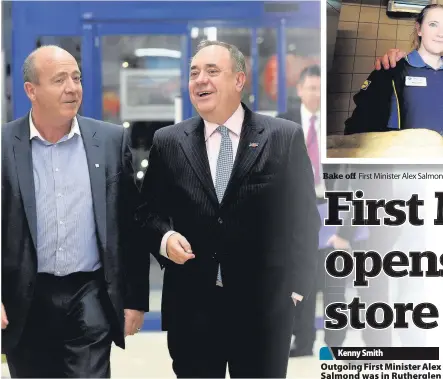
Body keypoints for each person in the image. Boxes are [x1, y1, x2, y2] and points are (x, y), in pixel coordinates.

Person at [137, 40, 320, 378]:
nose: (200, 80)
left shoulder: (282, 137)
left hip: (264, 309)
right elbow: (147, 213)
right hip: (192, 310)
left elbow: (304, 221)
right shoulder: (168, 142)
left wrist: (295, 291)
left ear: (239, 80)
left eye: (212, 71)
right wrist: (165, 239)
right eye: (194, 73)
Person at [1, 46, 149, 378]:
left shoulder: (110, 141)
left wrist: (135, 299)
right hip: (26, 297)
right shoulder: (4, 145)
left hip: (90, 294)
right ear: (31, 90)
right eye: (59, 80)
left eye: (76, 78)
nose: (72, 87)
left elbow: (131, 224)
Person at [278, 65, 347, 357]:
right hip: (298, 212)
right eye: (311, 87)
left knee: (334, 280)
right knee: (300, 279)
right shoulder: (283, 124)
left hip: (331, 207)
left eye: (320, 88)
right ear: (300, 90)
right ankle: (303, 341)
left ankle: (334, 346)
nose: (315, 94)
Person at [344, 4, 443, 135]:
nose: (441, 33)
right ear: (419, 29)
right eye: (433, 24)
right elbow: (358, 127)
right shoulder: (391, 69)